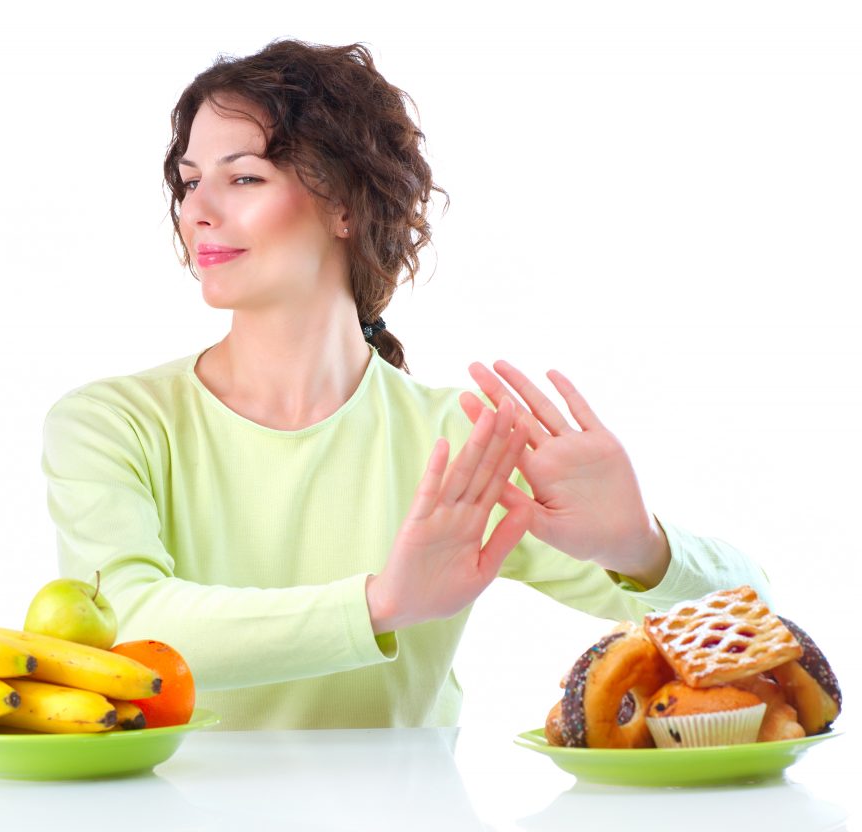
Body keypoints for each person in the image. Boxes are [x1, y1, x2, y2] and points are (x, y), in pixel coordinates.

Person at [41, 39, 770, 730]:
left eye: (244, 177)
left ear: (346, 206)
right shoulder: (112, 423)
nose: (198, 209)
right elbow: (130, 627)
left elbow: (751, 615)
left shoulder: (465, 443)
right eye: (191, 181)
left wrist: (641, 548)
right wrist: (381, 605)